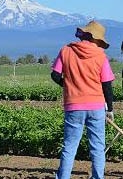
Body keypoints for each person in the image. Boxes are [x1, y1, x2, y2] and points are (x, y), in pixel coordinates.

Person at [51, 20, 115, 179]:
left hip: (73, 106)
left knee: (69, 147)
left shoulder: (66, 51)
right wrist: (110, 109)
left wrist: (69, 85)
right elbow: (107, 85)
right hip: (96, 107)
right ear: (96, 39)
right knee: (97, 147)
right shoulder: (100, 55)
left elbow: (55, 75)